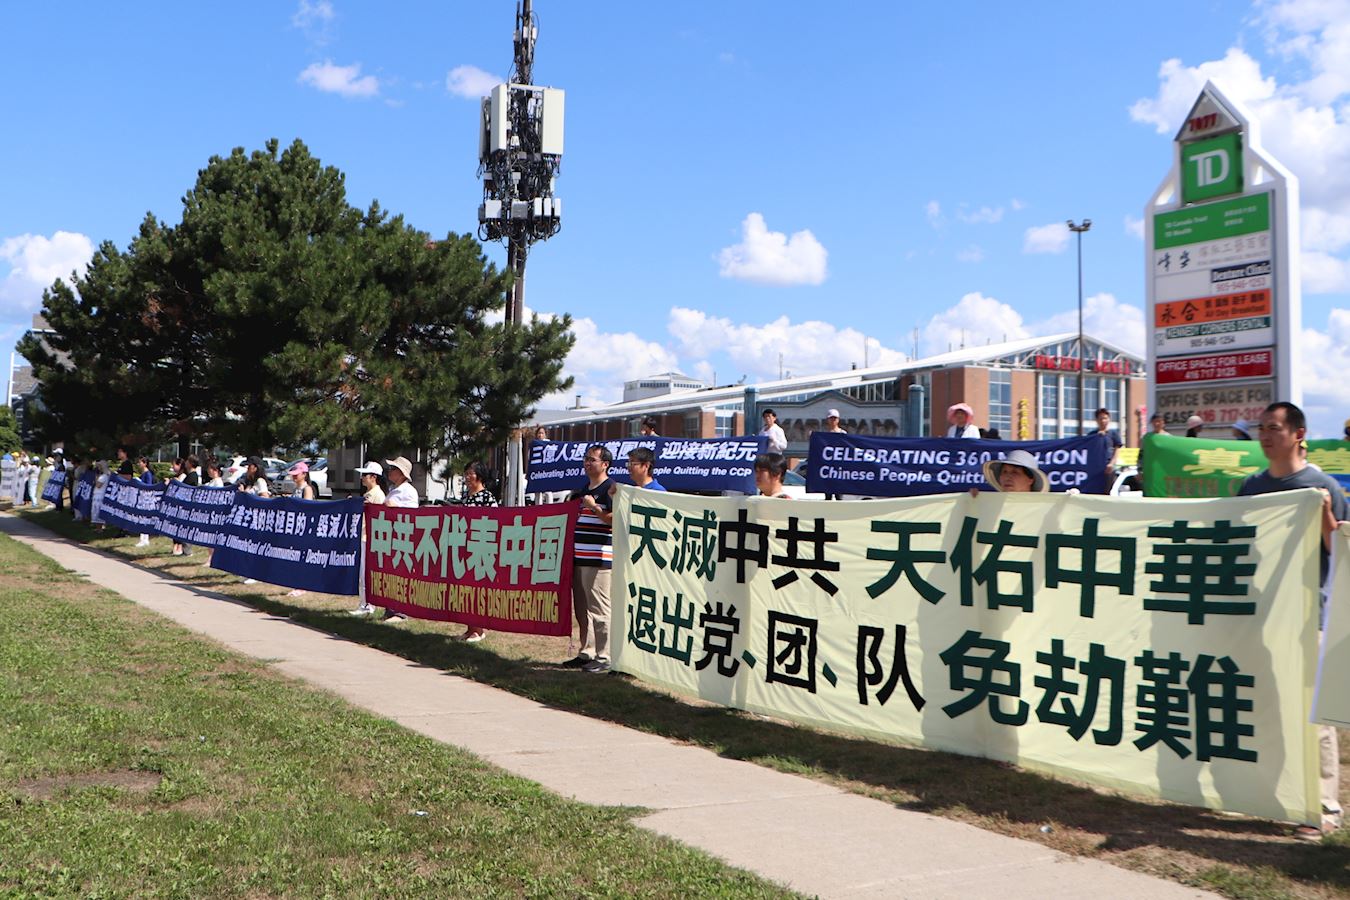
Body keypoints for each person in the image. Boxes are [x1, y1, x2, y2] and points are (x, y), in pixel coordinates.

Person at [1238, 401, 1347, 840]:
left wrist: (1323, 517)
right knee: (1268, 708)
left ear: (1299, 434)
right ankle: (1272, 793)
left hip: (1309, 615)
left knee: (1314, 718)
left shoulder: (1321, 486)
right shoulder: (1251, 487)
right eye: (1262, 428)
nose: (1266, 435)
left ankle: (1323, 807)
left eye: (1275, 428)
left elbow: (1339, 549)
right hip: (1262, 616)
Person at [561, 445, 615, 673]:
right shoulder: (582, 488)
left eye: (592, 460)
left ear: (605, 464)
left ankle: (605, 656)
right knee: (583, 609)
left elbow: (612, 520)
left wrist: (593, 508)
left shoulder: (611, 489)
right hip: (579, 558)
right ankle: (588, 651)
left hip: (599, 558)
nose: (587, 463)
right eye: (585, 459)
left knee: (600, 609)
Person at [455, 460, 497, 642]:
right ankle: (469, 627)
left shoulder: (487, 497)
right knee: (465, 589)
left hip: (481, 549)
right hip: (465, 548)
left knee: (478, 589)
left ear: (480, 475)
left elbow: (496, 520)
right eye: (466, 473)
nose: (468, 477)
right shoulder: (465, 497)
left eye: (471, 473)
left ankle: (478, 629)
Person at [379, 456, 420, 622]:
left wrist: (395, 508)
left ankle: (400, 612)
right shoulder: (393, 489)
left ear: (402, 473)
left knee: (400, 573)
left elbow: (412, 515)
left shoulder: (409, 491)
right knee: (389, 573)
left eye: (394, 469)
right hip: (390, 537)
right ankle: (390, 608)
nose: (390, 471)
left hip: (403, 539)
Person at [349, 461, 386, 617]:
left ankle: (367, 605)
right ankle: (364, 603)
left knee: (366, 574)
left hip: (369, 538)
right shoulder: (368, 495)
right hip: (363, 536)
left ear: (373, 477)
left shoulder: (377, 495)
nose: (362, 478)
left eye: (365, 475)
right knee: (362, 574)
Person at [979, 449, 1049, 493]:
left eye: (1015, 472)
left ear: (1030, 480)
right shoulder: (994, 504)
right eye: (1004, 472)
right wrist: (973, 501)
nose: (1007, 477)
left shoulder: (1042, 509)